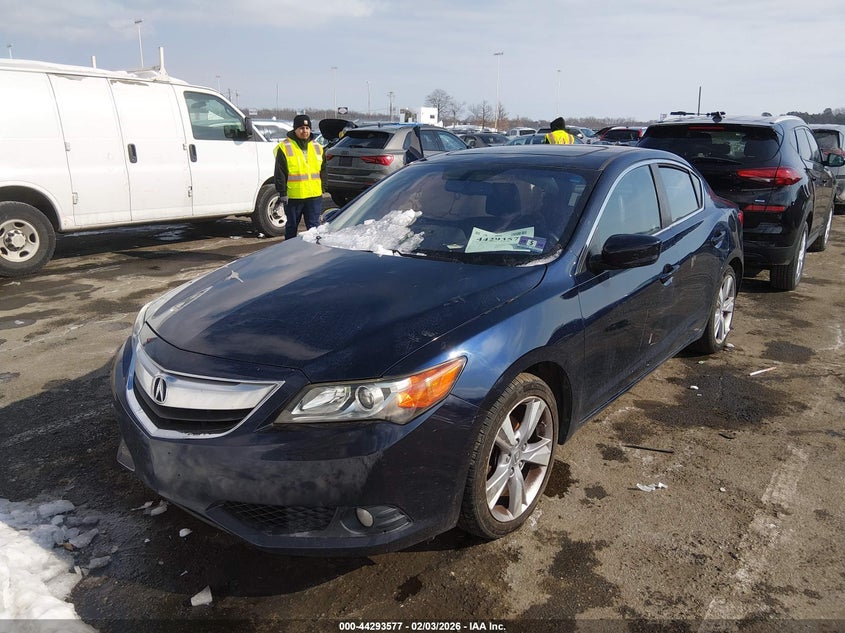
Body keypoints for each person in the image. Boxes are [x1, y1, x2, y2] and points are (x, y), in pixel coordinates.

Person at [274, 114, 325, 239]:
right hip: (294, 196)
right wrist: (282, 192)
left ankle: (314, 254)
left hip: (313, 196)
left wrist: (324, 187)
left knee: (314, 229)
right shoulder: (285, 147)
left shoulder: (317, 147)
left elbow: (323, 170)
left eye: (307, 128)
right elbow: (279, 172)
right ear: (295, 129)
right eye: (301, 128)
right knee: (291, 227)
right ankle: (290, 254)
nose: (305, 131)